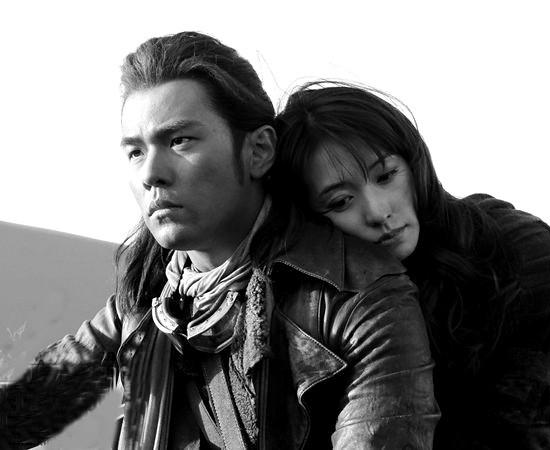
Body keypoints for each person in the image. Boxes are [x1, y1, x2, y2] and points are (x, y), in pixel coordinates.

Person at [0, 33, 439, 449]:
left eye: (179, 140)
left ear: (258, 151)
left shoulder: (358, 297)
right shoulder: (146, 302)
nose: (151, 173)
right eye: (135, 151)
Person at [273, 81, 550, 449]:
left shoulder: (518, 250)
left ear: (413, 162)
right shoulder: (323, 308)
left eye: (386, 176)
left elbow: (521, 421)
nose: (378, 211)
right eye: (341, 201)